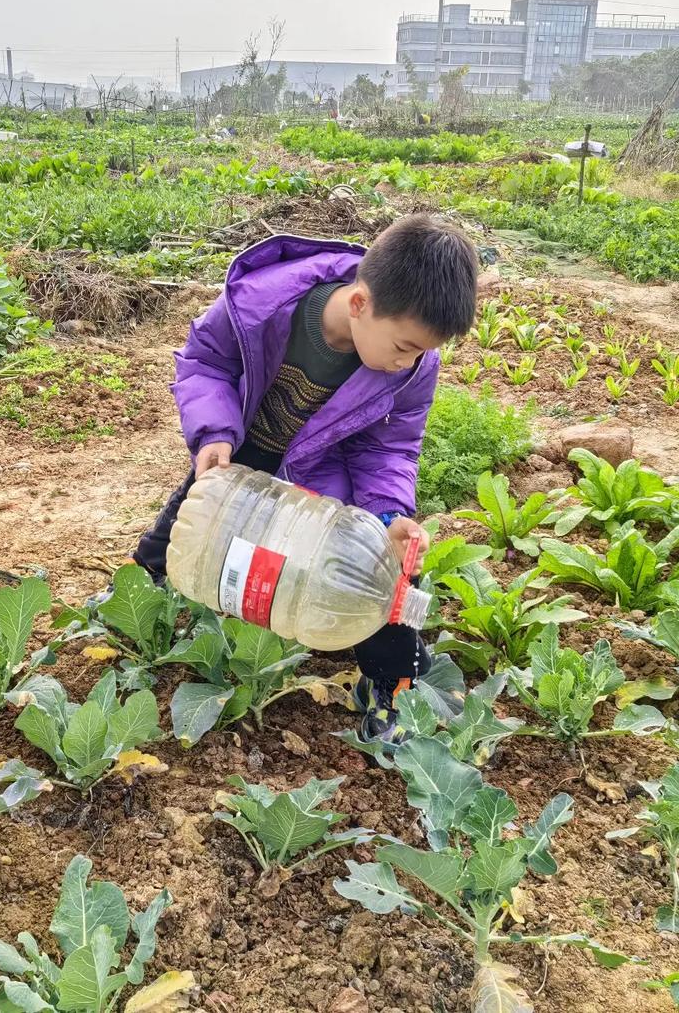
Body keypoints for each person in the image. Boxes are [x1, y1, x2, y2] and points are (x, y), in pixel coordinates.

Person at [124, 214, 478, 743]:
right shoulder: (259, 305)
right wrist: (214, 432)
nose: (410, 361)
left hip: (319, 474)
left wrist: (388, 516)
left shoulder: (412, 367)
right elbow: (206, 362)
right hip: (239, 458)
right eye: (404, 346)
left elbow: (390, 445)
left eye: (422, 352)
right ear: (360, 304)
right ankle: (131, 616)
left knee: (384, 578)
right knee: (175, 538)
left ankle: (390, 686)